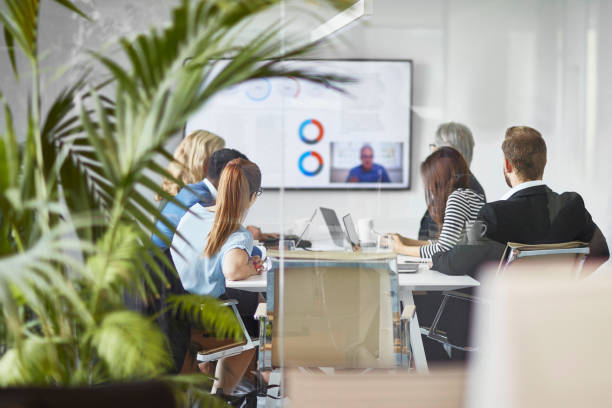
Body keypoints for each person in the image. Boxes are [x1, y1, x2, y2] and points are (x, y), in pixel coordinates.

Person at [428, 126, 609, 360]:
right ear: (544, 163)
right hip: (556, 318)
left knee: (427, 310)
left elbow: (457, 261)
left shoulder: (494, 214)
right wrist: (565, 283)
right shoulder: (571, 205)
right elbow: (601, 252)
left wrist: (434, 258)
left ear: (507, 165)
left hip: (505, 325)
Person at [171, 158, 264, 395]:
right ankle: (221, 397)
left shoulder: (194, 212)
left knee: (248, 310)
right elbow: (232, 270)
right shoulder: (237, 232)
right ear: (253, 197)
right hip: (204, 317)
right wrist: (253, 267)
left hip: (176, 309)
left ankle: (217, 393)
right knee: (257, 321)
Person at [390, 147, 486, 258]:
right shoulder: (470, 195)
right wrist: (405, 241)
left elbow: (442, 250)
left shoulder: (458, 198)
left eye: (430, 180)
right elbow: (446, 243)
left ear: (440, 179)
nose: (429, 187)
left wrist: (400, 249)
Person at [418, 122, 486, 240]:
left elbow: (445, 247)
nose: (432, 153)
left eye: (435, 147)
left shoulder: (462, 191)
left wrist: (403, 247)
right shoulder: (455, 185)